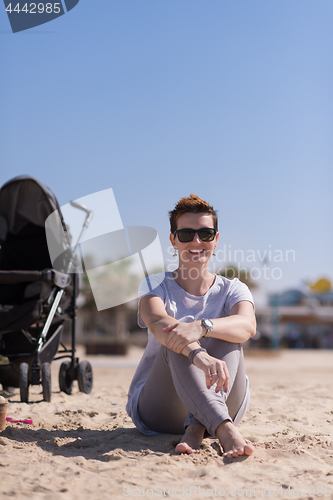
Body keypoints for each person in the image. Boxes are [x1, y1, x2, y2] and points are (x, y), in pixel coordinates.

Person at [126, 194, 256, 458]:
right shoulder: (154, 284)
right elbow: (157, 321)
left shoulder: (233, 289)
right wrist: (197, 353)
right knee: (174, 334)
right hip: (161, 408)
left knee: (228, 331)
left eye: (205, 234)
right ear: (173, 240)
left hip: (226, 397)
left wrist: (203, 326)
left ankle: (196, 427)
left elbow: (247, 326)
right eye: (186, 234)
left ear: (216, 239)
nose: (196, 242)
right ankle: (224, 430)